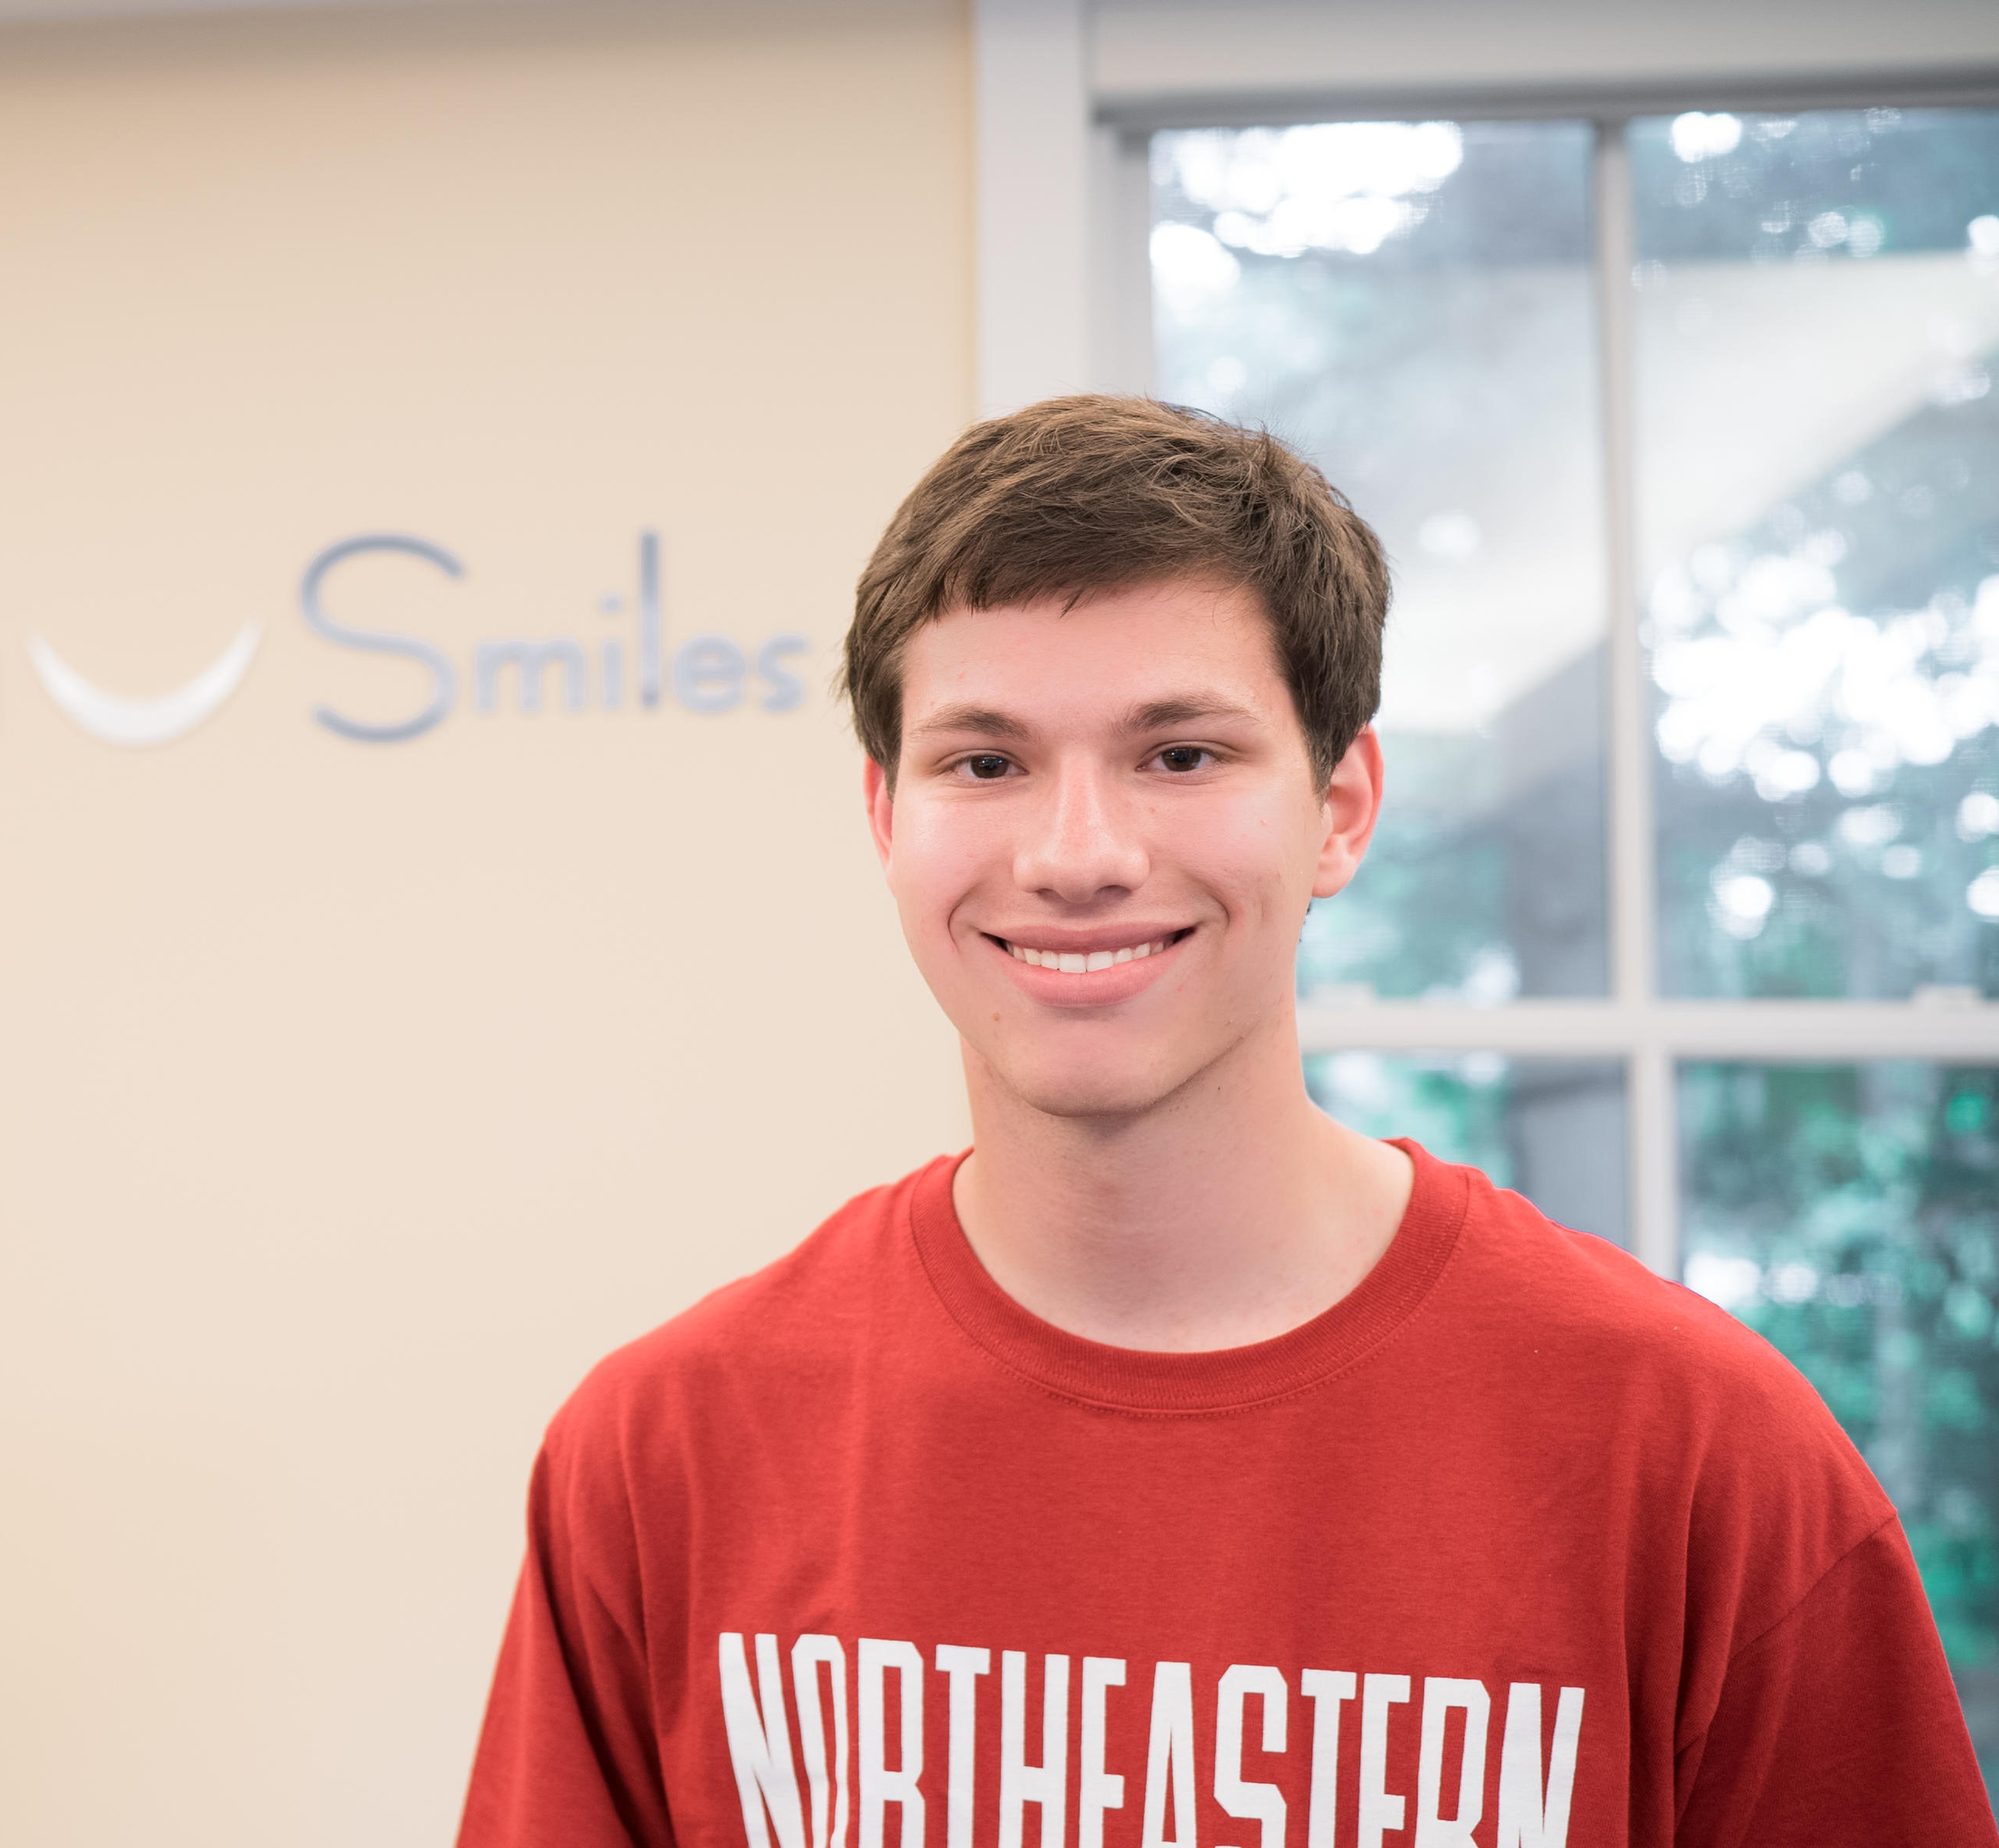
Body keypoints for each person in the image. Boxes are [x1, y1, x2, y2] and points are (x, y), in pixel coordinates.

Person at [453, 396, 1995, 1848]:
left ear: (1336, 809)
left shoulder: (1696, 1456)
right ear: (884, 815)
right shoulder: (662, 1455)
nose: (1074, 853)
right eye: (983, 761)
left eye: (1177, 755)